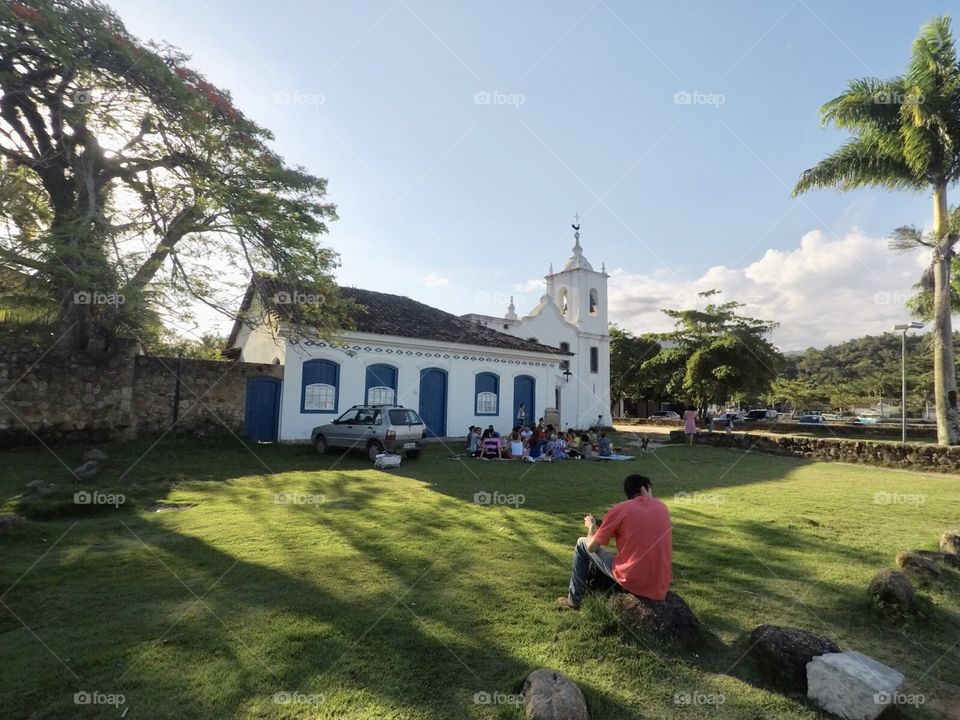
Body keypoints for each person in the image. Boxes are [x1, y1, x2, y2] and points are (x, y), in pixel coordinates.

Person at [558, 474, 672, 610]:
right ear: (643, 490)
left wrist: (591, 527)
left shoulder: (621, 508)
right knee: (613, 554)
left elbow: (591, 547)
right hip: (661, 583)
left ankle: (574, 600)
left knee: (581, 543)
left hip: (632, 578)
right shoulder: (662, 508)